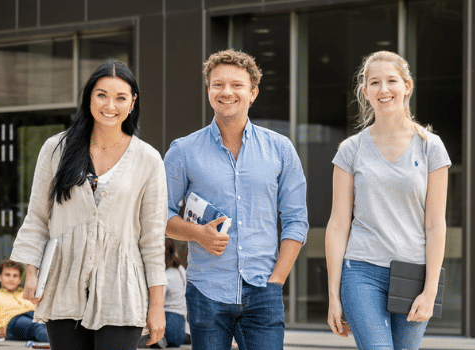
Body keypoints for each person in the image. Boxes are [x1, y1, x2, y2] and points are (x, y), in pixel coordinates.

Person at [10, 59, 168, 350]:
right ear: (89, 97)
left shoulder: (148, 159)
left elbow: (152, 240)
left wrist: (156, 306)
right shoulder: (56, 149)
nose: (110, 105)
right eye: (102, 95)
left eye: (121, 98)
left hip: (121, 288)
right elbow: (37, 217)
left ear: (132, 103)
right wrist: (31, 272)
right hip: (64, 285)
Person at [164, 49, 309, 350]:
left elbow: (296, 222)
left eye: (236, 85)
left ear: (253, 92)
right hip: (206, 292)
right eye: (218, 84)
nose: (226, 92)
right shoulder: (183, 151)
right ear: (208, 91)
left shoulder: (280, 149)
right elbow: (159, 216)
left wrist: (276, 282)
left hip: (263, 291)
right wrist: (197, 234)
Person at [324, 50, 451, 350]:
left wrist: (430, 290)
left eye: (391, 80)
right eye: (375, 83)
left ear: (407, 86)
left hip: (413, 274)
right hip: (362, 272)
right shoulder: (350, 150)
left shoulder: (431, 147)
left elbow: (435, 224)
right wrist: (333, 294)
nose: (384, 90)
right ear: (365, 92)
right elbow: (338, 225)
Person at [0, 259, 48, 342]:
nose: (11, 279)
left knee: (49, 326)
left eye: (15, 276)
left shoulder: (28, 294)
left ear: (20, 279)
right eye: (7, 275)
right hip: (13, 323)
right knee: (36, 326)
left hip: (35, 317)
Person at [143, 238, 191, 348]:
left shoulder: (164, 277)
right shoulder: (180, 269)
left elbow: (157, 301)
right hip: (180, 325)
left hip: (168, 324)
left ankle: (158, 340)